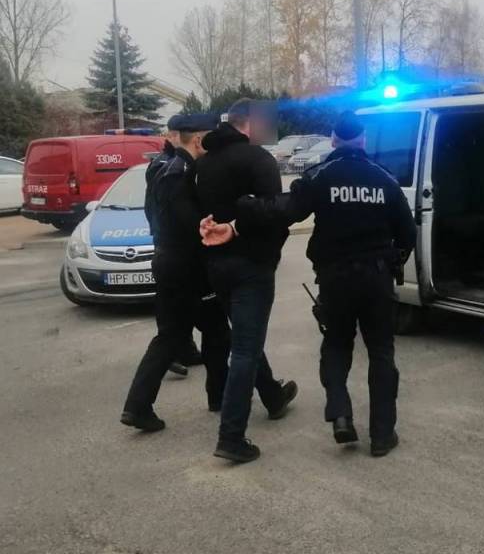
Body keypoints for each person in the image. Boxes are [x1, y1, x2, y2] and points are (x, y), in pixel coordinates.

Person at [201, 111, 417, 458]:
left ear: (333, 140)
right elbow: (407, 233)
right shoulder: (385, 179)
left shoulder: (320, 176)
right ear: (363, 140)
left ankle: (341, 415)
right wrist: (393, 262)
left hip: (335, 279)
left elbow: (284, 210)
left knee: (336, 345)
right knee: (381, 352)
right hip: (376, 279)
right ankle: (382, 434)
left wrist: (243, 213)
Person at [195, 99, 297, 464]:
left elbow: (201, 214)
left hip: (216, 265)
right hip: (252, 266)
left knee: (244, 337)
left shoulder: (204, 164)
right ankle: (231, 437)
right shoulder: (258, 160)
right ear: (252, 122)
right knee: (244, 349)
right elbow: (275, 214)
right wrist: (269, 253)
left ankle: (273, 395)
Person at [121, 113, 228, 430]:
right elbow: (192, 225)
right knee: (216, 333)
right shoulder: (183, 173)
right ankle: (219, 396)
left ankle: (138, 406)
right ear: (199, 139)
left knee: (171, 336)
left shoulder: (159, 167)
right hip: (187, 267)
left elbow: (152, 214)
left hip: (165, 259)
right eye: (210, 137)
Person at [147, 115, 202, 377]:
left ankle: (185, 350)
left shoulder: (172, 164)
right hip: (174, 250)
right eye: (170, 134)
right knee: (172, 319)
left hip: (171, 248)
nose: (172, 138)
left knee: (178, 315)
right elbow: (161, 208)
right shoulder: (168, 167)